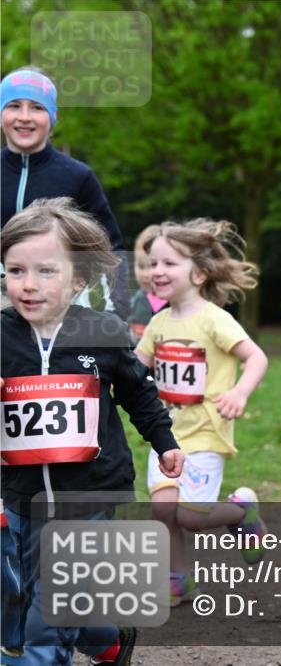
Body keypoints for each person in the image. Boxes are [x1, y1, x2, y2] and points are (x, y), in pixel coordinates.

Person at [0, 198, 183, 665]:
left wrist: (163, 442)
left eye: (46, 271)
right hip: (19, 493)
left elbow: (139, 393)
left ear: (78, 279)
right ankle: (109, 640)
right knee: (22, 599)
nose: (29, 284)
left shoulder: (103, 331)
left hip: (89, 494)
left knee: (52, 607)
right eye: (16, 271)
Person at [135, 220, 269, 607]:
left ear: (199, 272)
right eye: (152, 263)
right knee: (163, 510)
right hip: (166, 434)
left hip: (206, 433)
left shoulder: (214, 319)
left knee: (191, 517)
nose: (156, 271)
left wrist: (240, 392)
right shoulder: (158, 323)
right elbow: (136, 368)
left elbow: (256, 357)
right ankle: (177, 578)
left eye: (168, 264)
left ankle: (241, 511)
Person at [0, 68, 130, 318]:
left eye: (37, 108)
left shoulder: (77, 176)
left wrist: (119, 312)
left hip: (56, 303)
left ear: (53, 116)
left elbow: (111, 248)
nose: (24, 117)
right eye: (14, 106)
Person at [126, 224, 169, 345]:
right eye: (140, 266)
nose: (145, 274)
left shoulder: (176, 303)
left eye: (152, 265)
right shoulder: (133, 302)